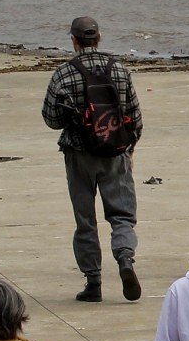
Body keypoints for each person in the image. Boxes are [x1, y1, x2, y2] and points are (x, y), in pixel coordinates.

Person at [41, 15, 143, 303]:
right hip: (115, 153)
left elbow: (50, 118)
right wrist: (129, 148)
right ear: (100, 37)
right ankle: (125, 258)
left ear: (73, 39)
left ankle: (93, 282)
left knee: (85, 220)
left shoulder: (64, 73)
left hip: (79, 154)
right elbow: (134, 116)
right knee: (122, 216)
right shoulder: (120, 70)